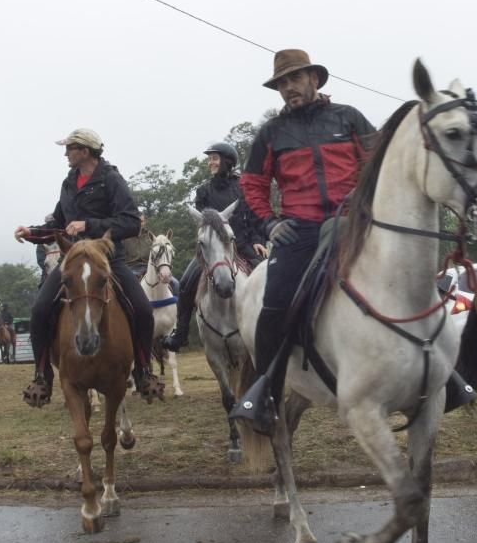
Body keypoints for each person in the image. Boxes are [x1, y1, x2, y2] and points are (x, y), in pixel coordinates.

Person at [230, 48, 379, 434]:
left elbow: (377, 164)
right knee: (275, 303)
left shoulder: (348, 118)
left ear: (315, 79)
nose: (288, 88)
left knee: (409, 272)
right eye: (281, 83)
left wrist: (369, 206)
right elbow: (253, 184)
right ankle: (262, 392)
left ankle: (444, 372)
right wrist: (268, 223)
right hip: (301, 229)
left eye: (295, 79)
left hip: (354, 221)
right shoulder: (271, 133)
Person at [14, 128, 163, 407]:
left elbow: (131, 222)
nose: (66, 153)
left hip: (106, 257)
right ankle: (42, 375)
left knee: (142, 310)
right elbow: (59, 224)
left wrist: (89, 225)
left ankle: (143, 371)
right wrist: (31, 231)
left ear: (85, 151)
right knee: (39, 310)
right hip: (71, 259)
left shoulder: (111, 180)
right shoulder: (69, 182)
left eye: (70, 148)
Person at [162, 141, 268, 351]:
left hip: (243, 244)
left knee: (268, 277)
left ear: (227, 162)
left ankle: (271, 330)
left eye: (214, 158)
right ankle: (180, 334)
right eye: (209, 158)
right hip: (212, 249)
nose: (210, 162)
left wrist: (258, 240)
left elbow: (255, 217)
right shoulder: (203, 191)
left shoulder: (243, 187)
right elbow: (202, 223)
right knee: (185, 283)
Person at [123, 211, 153, 278]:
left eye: (141, 221)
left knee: (175, 284)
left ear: (145, 222)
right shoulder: (125, 237)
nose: (139, 224)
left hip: (149, 268)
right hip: (131, 268)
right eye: (136, 221)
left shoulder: (150, 237)